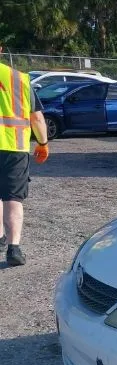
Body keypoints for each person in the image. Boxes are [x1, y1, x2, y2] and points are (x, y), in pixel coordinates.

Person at [0, 45, 49, 267]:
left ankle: (0, 237)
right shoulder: (19, 79)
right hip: (14, 147)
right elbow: (37, 118)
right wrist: (43, 142)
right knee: (13, 197)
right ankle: (14, 248)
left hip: (13, 146)